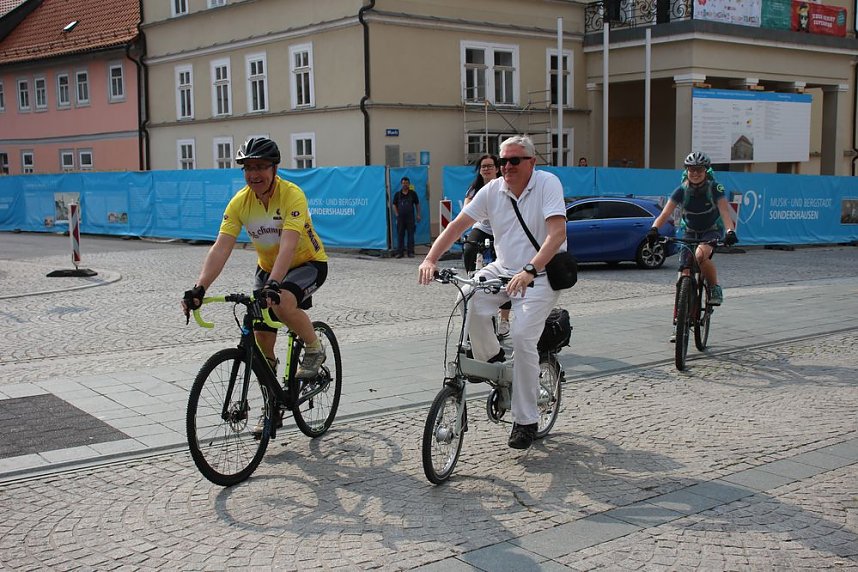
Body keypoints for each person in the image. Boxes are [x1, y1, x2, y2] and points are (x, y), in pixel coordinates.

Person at [418, 135, 567, 450]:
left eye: (514, 160)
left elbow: (557, 236)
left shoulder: (547, 184)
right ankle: (493, 360)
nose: (507, 167)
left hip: (540, 273)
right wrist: (431, 258)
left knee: (524, 336)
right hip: (503, 268)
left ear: (532, 162)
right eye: (503, 161)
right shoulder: (492, 190)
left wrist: (529, 270)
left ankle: (525, 420)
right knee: (467, 296)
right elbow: (457, 226)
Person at [180, 137, 329, 431]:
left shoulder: (292, 195)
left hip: (306, 264)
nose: (254, 174)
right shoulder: (240, 202)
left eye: (261, 167)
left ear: (275, 168)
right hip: (267, 270)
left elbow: (288, 244)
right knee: (262, 341)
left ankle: (313, 348)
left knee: (282, 302)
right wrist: (200, 288)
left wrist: (274, 283)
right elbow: (221, 247)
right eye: (248, 168)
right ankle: (272, 404)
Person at [647, 151, 738, 337]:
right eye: (691, 170)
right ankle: (679, 323)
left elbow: (724, 212)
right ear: (686, 171)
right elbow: (665, 214)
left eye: (699, 169)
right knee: (683, 274)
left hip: (711, 229)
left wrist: (730, 232)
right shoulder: (681, 190)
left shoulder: (715, 188)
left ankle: (713, 288)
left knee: (700, 255)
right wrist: (654, 229)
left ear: (706, 170)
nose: (695, 173)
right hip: (690, 231)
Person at [462, 154, 512, 337]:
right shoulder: (475, 188)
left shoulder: (504, 185)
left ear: (497, 168)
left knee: (505, 273)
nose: (486, 169)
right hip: (483, 227)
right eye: (483, 166)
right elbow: (467, 209)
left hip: (501, 230)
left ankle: (504, 319)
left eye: (490, 166)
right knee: (469, 246)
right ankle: (471, 275)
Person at [391, 176, 421, 258]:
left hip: (410, 218)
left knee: (410, 235)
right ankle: (400, 253)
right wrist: (397, 214)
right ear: (401, 184)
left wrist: (418, 214)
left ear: (409, 184)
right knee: (400, 235)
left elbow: (417, 204)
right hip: (400, 218)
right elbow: (394, 205)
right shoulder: (397, 194)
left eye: (406, 183)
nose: (405, 185)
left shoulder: (413, 194)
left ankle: (410, 252)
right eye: (403, 183)